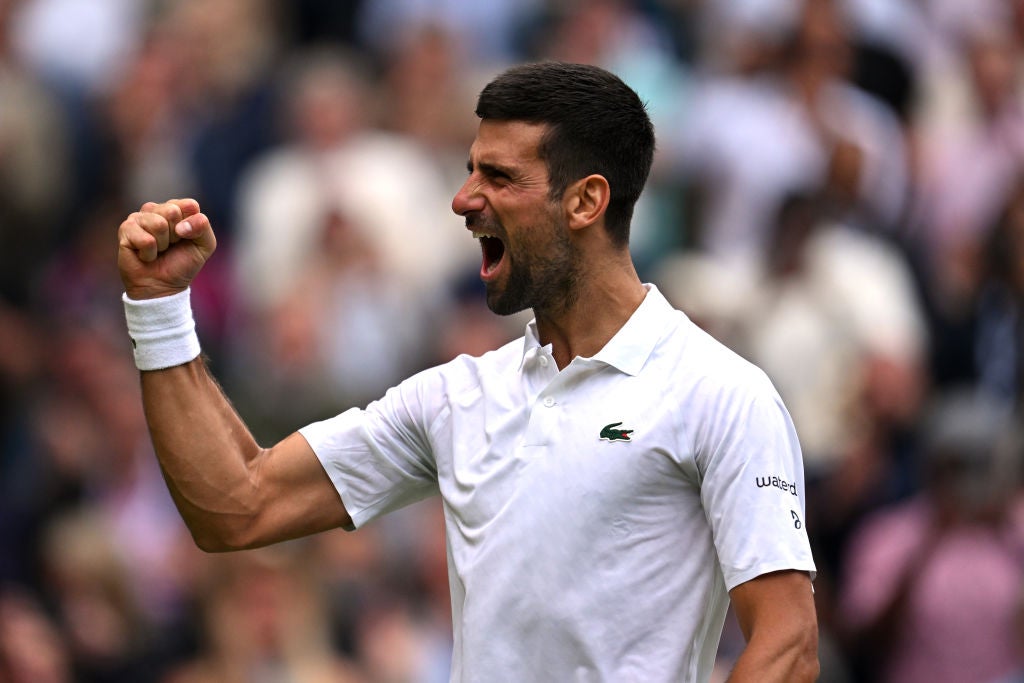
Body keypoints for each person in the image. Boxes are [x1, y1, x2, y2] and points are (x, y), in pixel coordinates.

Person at [116, 61, 819, 682]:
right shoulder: (454, 398)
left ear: (586, 201)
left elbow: (787, 645)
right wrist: (159, 310)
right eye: (469, 170)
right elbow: (238, 505)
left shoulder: (721, 393)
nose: (463, 199)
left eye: (499, 177)